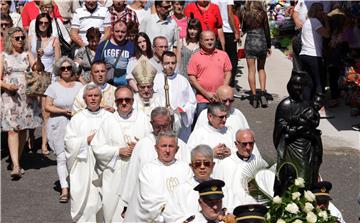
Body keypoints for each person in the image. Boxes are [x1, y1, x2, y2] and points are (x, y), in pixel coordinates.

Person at [89, 85, 151, 222]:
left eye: (127, 100)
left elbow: (152, 144)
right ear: (115, 102)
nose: (124, 103)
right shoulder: (108, 121)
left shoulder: (143, 119)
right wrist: (118, 151)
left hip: (137, 172)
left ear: (133, 101)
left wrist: (139, 147)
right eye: (120, 100)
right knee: (113, 210)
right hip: (114, 173)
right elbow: (96, 147)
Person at [120, 107, 190, 211]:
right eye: (158, 127)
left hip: (178, 205)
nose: (161, 130)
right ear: (151, 124)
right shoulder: (143, 145)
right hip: (149, 206)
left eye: (165, 126)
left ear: (170, 122)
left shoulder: (181, 146)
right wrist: (127, 204)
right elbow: (132, 175)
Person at [64, 84, 111, 222]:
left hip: (105, 166)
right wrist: (86, 140)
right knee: (88, 205)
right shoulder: (77, 119)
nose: (93, 99)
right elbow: (68, 142)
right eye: (89, 96)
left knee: (104, 203)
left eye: (96, 96)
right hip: (84, 167)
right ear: (84, 99)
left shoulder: (109, 117)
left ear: (101, 98)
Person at [123, 131, 192, 222]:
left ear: (177, 149)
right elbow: (150, 203)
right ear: (156, 148)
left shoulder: (185, 169)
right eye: (163, 146)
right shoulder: (148, 170)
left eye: (171, 146)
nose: (167, 150)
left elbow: (189, 197)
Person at [273, 72, 323, 196]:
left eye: (301, 85)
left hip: (306, 146)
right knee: (290, 178)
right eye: (295, 85)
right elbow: (280, 126)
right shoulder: (285, 105)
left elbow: (313, 123)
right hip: (291, 147)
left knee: (307, 178)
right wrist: (292, 129)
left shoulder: (307, 104)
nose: (298, 88)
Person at [1, 27, 41, 179]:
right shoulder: (3, 56)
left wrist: (39, 58)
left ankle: (15, 160)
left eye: (22, 38)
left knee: (23, 128)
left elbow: (37, 69)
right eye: (17, 38)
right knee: (12, 130)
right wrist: (7, 85)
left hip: (26, 96)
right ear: (10, 39)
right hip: (10, 96)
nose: (20, 40)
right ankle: (16, 165)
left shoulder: (27, 54)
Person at [163, 145, 238, 222]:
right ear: (191, 166)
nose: (202, 167)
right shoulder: (179, 192)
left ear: (213, 165)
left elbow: (235, 212)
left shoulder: (225, 190)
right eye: (198, 164)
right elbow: (170, 217)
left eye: (206, 163)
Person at [44, 57, 83, 202]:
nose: (66, 70)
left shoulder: (79, 86)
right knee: (61, 157)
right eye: (63, 68)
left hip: (76, 124)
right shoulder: (53, 87)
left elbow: (88, 96)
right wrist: (62, 111)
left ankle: (76, 185)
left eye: (68, 67)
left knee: (75, 156)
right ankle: (64, 188)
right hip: (58, 123)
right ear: (58, 70)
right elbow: (47, 106)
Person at [212, 129, 267, 204]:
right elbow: (217, 190)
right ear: (236, 144)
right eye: (244, 144)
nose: (248, 147)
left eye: (251, 143)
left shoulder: (261, 164)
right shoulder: (224, 164)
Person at [188, 30, 232, 120]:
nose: (210, 42)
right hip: (202, 99)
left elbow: (228, 72)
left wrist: (222, 91)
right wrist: (206, 93)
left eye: (212, 39)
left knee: (222, 123)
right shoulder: (195, 57)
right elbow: (192, 78)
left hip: (221, 99)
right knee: (202, 124)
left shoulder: (223, 55)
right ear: (200, 41)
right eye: (207, 40)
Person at [153, 51, 196, 142]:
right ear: (161, 63)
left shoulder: (183, 80)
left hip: (179, 121)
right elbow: (152, 100)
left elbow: (192, 102)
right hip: (161, 122)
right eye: (167, 63)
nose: (170, 66)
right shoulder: (156, 79)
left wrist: (180, 110)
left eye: (173, 63)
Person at [240, 1, 271, 108]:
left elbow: (243, 29)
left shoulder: (245, 13)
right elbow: (267, 30)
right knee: (261, 69)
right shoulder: (263, 13)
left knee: (251, 70)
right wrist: (269, 46)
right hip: (262, 41)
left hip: (250, 42)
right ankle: (262, 94)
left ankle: (253, 97)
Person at [299, 3, 330, 104]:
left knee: (308, 82)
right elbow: (327, 34)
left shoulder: (306, 22)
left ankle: (306, 105)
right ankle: (319, 106)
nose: (322, 12)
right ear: (316, 12)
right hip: (313, 55)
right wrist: (326, 21)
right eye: (320, 10)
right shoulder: (315, 22)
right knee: (319, 82)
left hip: (304, 54)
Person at [94, 19, 135, 86]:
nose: (120, 34)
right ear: (112, 31)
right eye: (117, 31)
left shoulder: (132, 46)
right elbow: (95, 65)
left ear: (127, 32)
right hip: (107, 83)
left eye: (123, 32)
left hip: (125, 84)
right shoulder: (103, 45)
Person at [212, 0, 240, 88]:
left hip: (217, 30)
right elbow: (230, 13)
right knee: (232, 59)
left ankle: (219, 83)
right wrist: (235, 31)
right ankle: (230, 84)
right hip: (228, 30)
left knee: (218, 58)